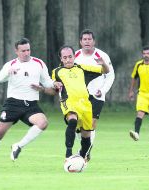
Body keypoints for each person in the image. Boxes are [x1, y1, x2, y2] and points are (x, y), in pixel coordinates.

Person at [0, 38, 57, 169]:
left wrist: (54, 84)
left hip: (31, 104)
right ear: (16, 51)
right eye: (23, 51)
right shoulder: (10, 64)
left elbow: (47, 81)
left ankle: (18, 146)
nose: (26, 53)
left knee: (43, 123)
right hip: (13, 104)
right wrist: (8, 73)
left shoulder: (39, 63)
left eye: (28, 50)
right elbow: (0, 79)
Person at [36, 45, 109, 161]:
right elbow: (53, 89)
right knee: (72, 120)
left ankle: (81, 157)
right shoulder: (57, 72)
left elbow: (105, 71)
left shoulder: (82, 68)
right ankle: (68, 154)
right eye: (65, 57)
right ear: (61, 58)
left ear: (74, 57)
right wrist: (44, 88)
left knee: (86, 138)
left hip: (85, 105)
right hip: (69, 102)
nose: (68, 60)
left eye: (70, 57)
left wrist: (103, 64)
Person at [74, 29, 115, 157]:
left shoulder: (102, 56)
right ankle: (85, 147)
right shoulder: (75, 56)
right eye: (84, 39)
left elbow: (110, 76)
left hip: (96, 95)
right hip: (79, 95)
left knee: (91, 123)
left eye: (89, 39)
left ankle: (86, 152)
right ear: (80, 42)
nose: (87, 41)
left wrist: (102, 90)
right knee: (78, 125)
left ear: (94, 41)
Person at [128, 47, 149, 141]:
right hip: (142, 94)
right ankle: (136, 134)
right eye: (144, 53)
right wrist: (131, 91)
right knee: (140, 113)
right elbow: (134, 77)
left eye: (148, 53)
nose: (146, 55)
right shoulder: (138, 65)